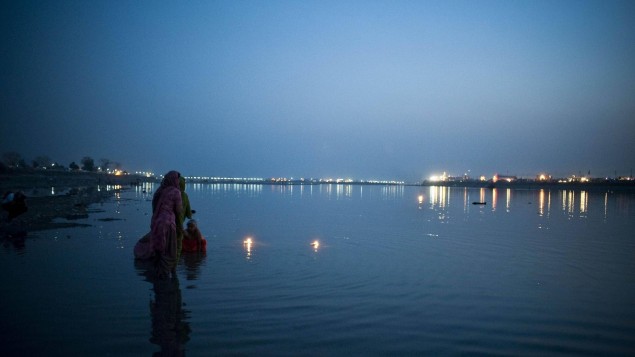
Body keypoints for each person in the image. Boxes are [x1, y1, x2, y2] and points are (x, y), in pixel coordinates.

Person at [149, 171, 183, 279]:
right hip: (168, 224)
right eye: (177, 179)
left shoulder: (160, 190)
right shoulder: (176, 192)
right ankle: (167, 281)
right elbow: (179, 210)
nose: (178, 181)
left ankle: (158, 277)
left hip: (157, 222)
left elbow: (154, 206)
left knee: (159, 251)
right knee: (170, 252)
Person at [176, 176, 193, 261]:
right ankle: (174, 269)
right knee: (177, 247)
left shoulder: (168, 193)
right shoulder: (184, 196)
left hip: (164, 223)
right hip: (178, 224)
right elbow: (189, 215)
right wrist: (190, 214)